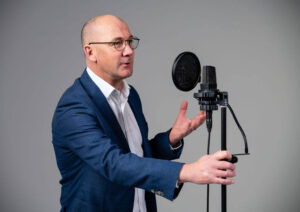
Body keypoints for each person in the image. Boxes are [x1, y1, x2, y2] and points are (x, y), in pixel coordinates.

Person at [52, 14, 236, 212]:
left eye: (130, 42)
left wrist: (171, 139)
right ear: (90, 52)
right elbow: (114, 163)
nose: (129, 51)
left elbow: (136, 155)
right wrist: (187, 171)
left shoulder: (130, 96)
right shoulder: (73, 107)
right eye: (117, 43)